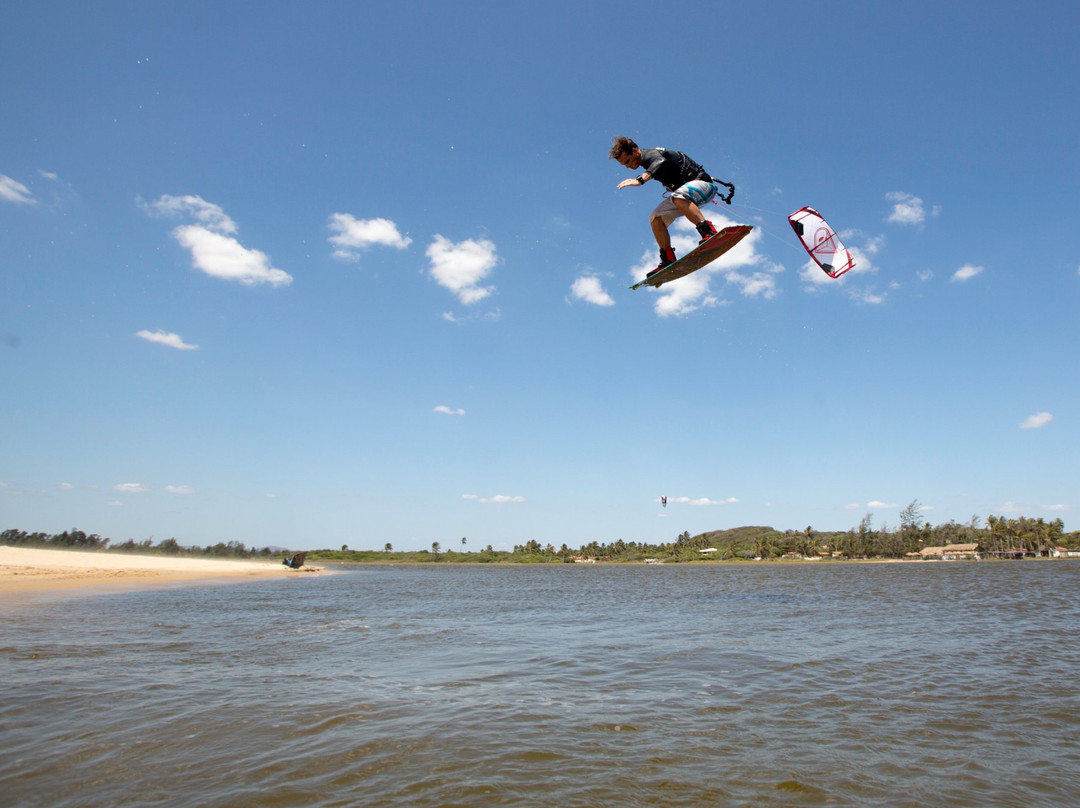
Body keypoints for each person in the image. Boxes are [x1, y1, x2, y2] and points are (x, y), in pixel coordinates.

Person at [610, 135, 719, 275]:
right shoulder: (645, 161)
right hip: (686, 195)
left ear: (635, 150)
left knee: (677, 197)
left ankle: (709, 232)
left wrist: (640, 180)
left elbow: (659, 161)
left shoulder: (652, 154)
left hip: (703, 185)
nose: (628, 166)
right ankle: (667, 258)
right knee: (655, 218)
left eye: (628, 161)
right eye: (624, 165)